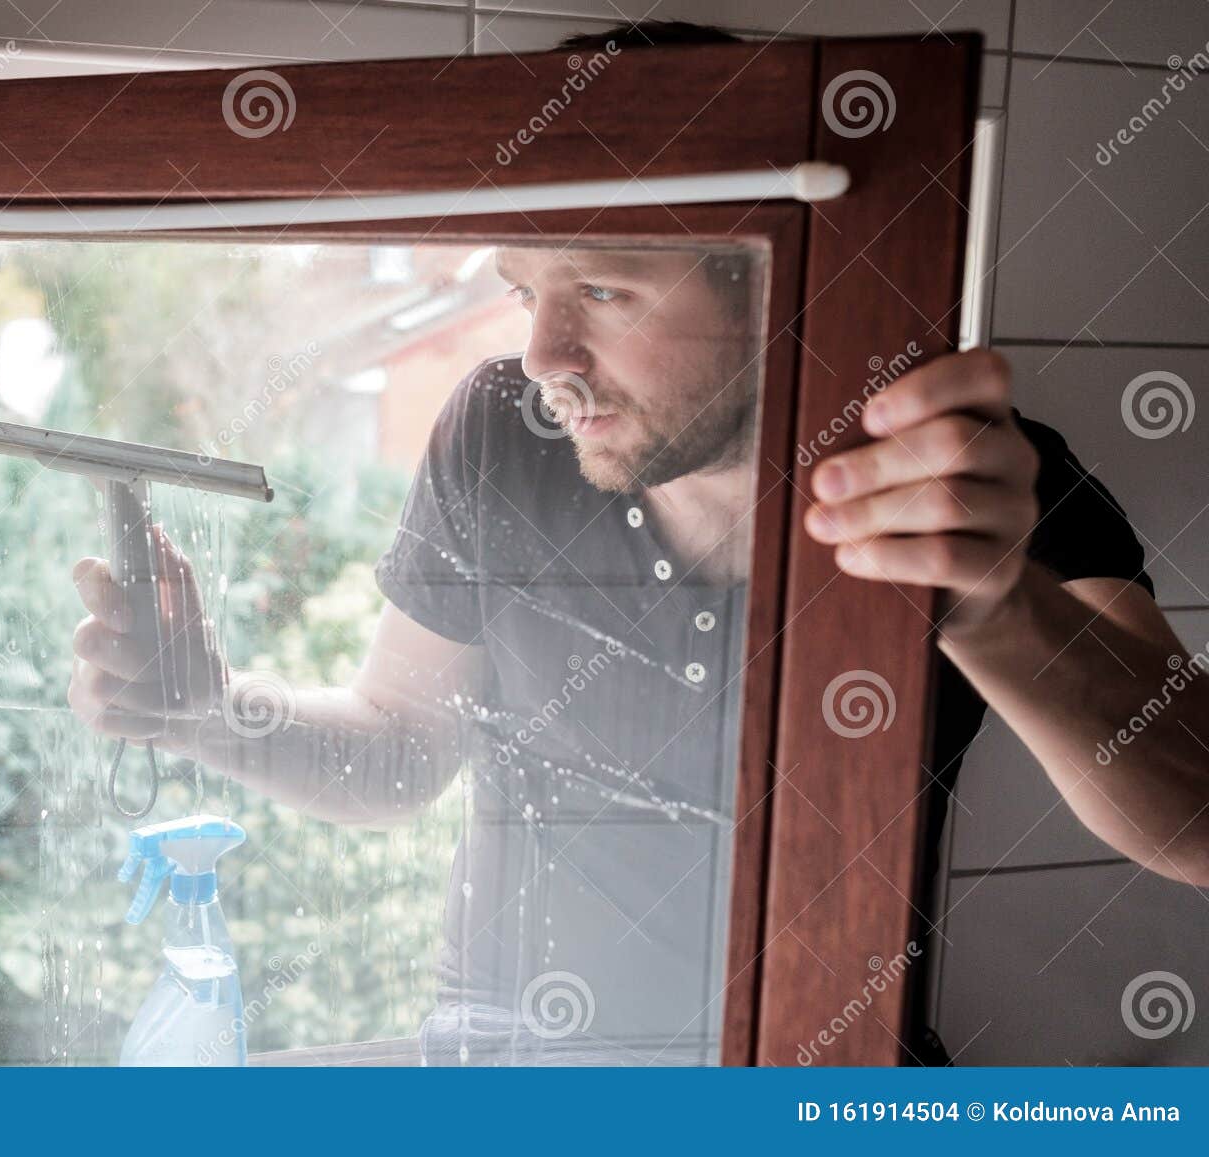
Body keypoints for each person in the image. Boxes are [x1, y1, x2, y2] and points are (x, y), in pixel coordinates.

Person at [68, 22, 1209, 1064]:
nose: (547, 351)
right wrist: (208, 711)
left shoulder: (954, 472)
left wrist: (990, 600)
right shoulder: (499, 432)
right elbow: (402, 747)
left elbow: (1196, 827)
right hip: (510, 1072)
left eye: (604, 287)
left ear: (778, 273)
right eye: (524, 288)